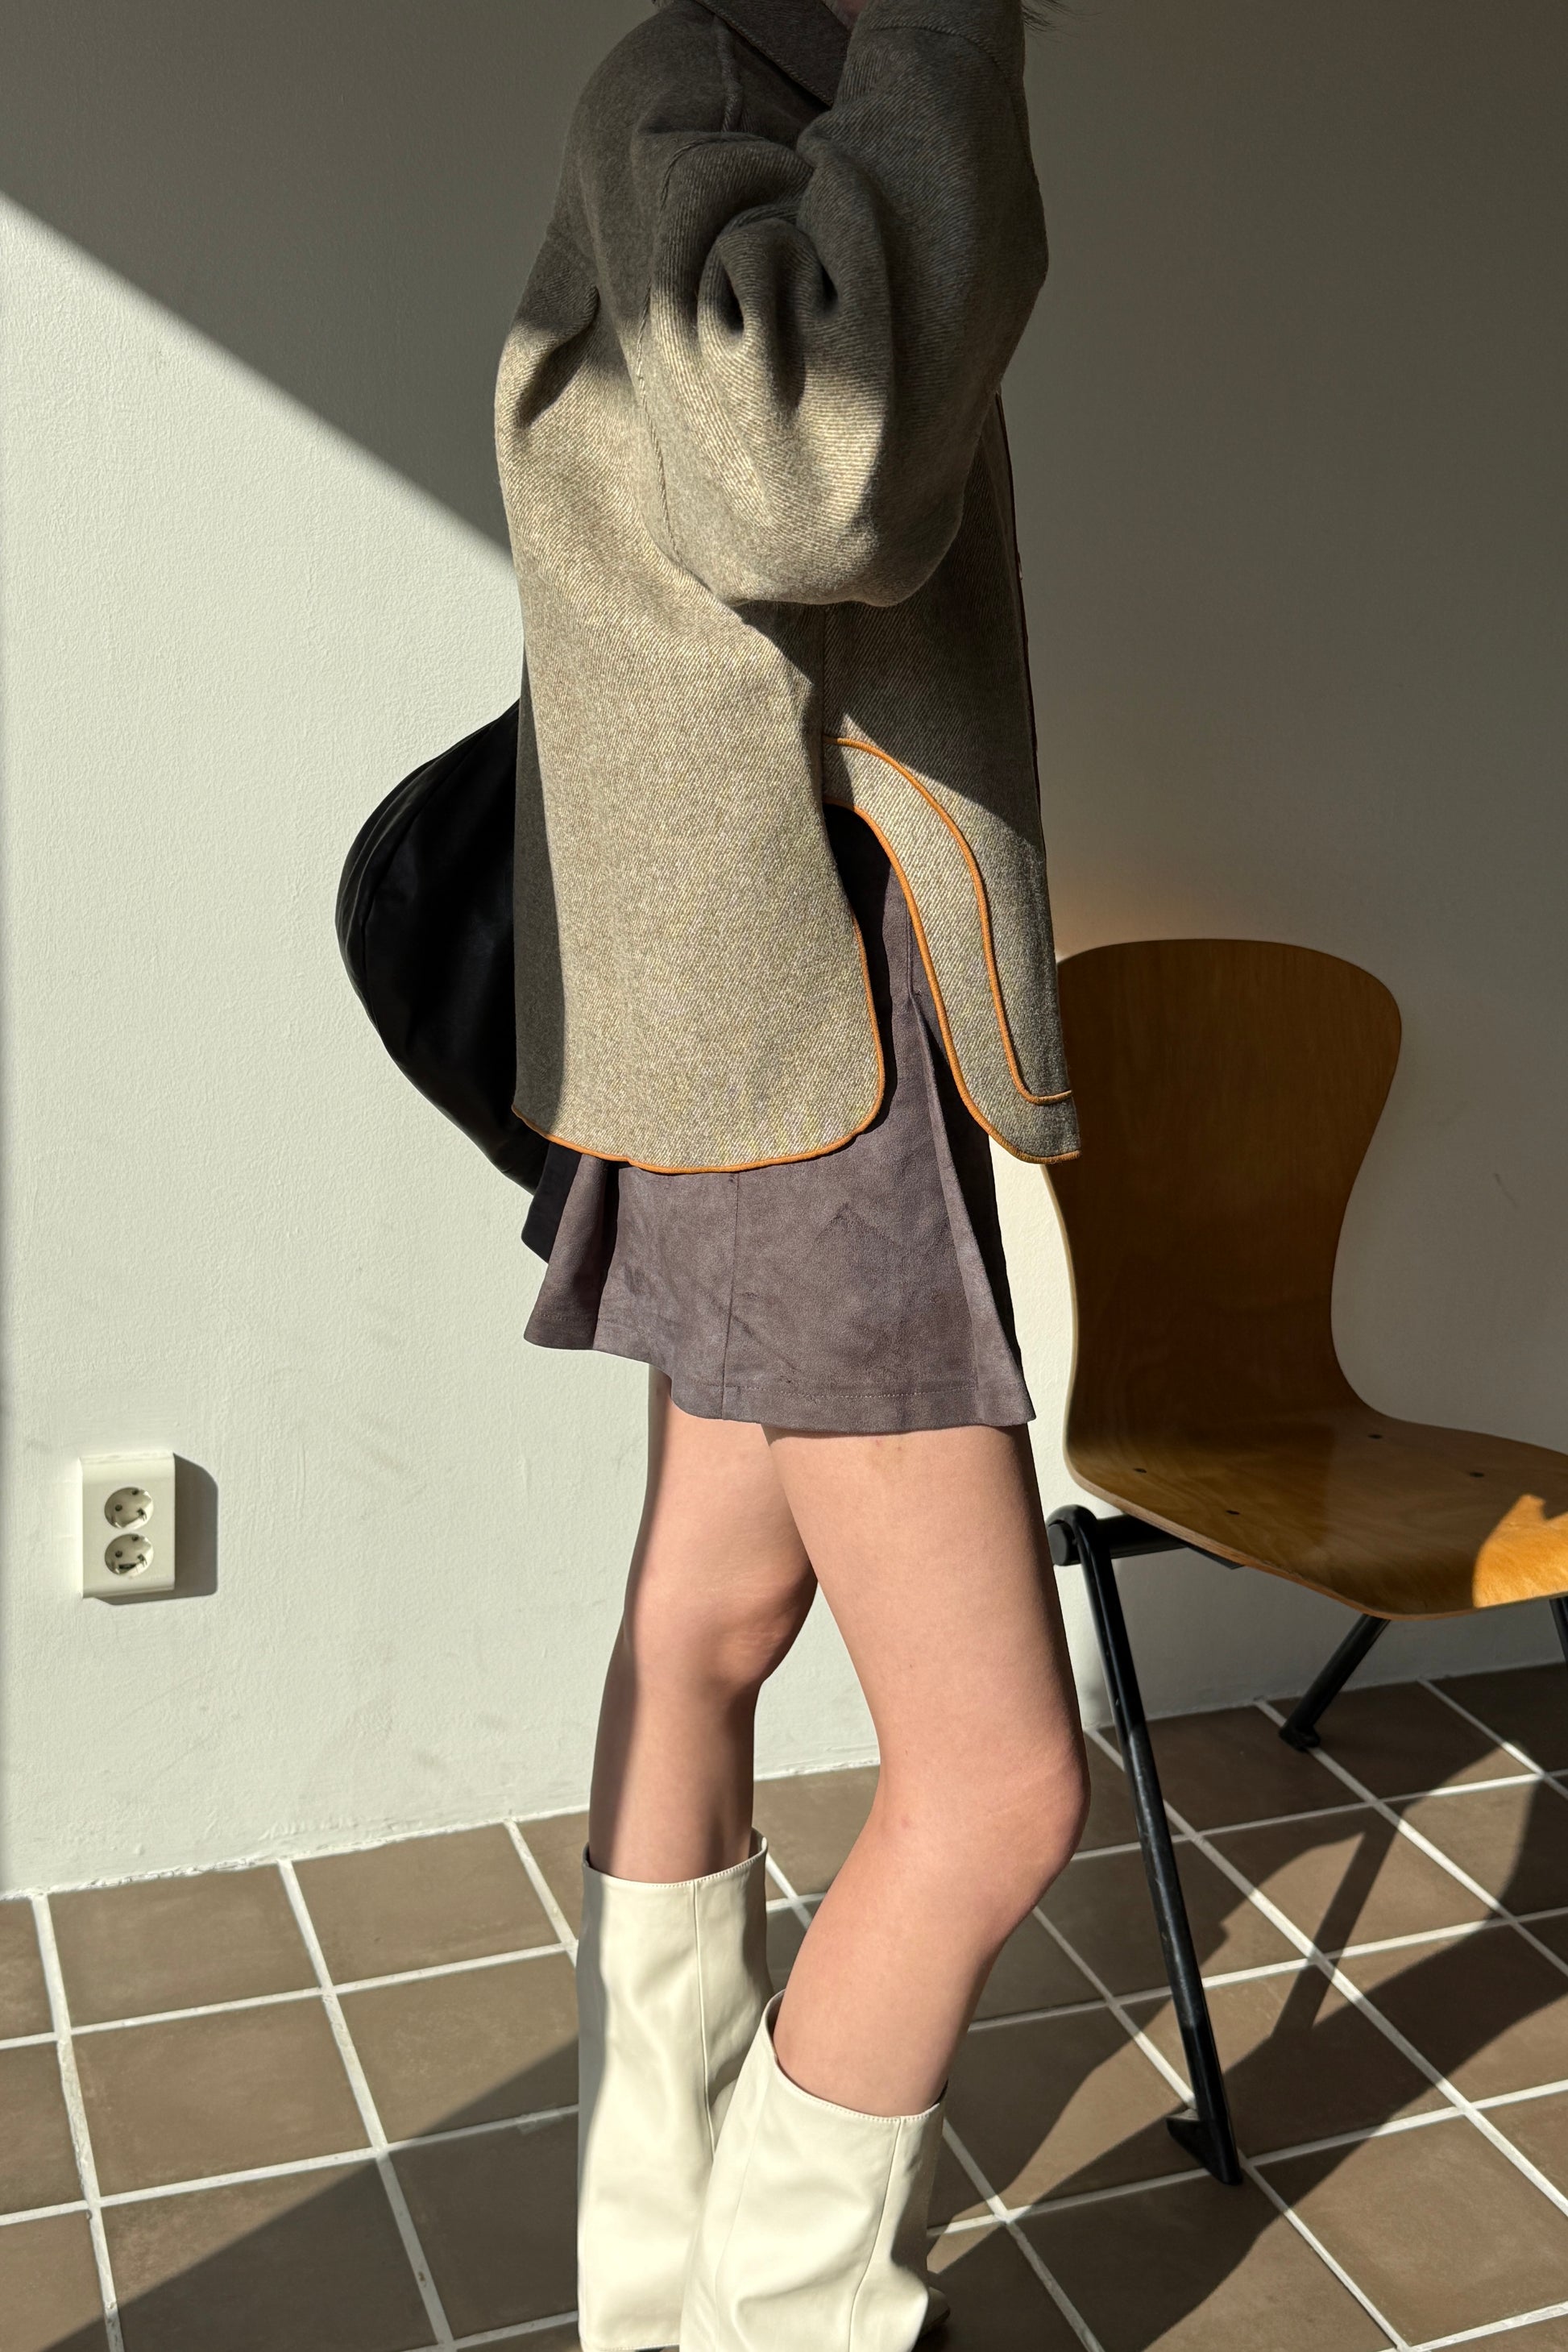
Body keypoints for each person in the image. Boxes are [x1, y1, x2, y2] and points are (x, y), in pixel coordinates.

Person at [493, 2, 1088, 2345]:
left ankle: (656, 2291)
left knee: (711, 1630)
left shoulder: (729, 100)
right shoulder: (700, 91)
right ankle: (769, 2321)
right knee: (1001, 1787)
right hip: (802, 1046)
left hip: (757, 1034)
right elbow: (802, 486)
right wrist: (949, 25)